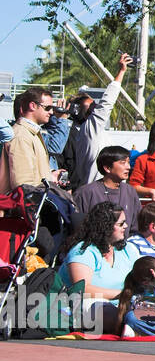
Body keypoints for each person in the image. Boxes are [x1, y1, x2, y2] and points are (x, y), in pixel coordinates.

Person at [53, 201, 140, 334]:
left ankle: (136, 326)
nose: (126, 226)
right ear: (106, 226)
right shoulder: (83, 251)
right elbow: (82, 289)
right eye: (121, 224)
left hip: (125, 304)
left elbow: (141, 276)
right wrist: (123, 295)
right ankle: (131, 327)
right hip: (81, 304)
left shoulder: (128, 250)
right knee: (105, 310)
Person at [66, 53, 133, 190]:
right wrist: (121, 72)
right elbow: (106, 104)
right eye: (90, 106)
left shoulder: (89, 133)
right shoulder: (89, 129)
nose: (95, 107)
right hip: (97, 195)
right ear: (79, 112)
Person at [0, 87, 62, 193]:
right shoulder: (21, 136)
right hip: (27, 207)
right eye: (47, 108)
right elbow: (23, 185)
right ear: (32, 106)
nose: (51, 112)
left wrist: (50, 176)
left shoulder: (29, 133)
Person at [73, 145, 141, 240]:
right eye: (123, 163)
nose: (128, 167)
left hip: (123, 249)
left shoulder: (130, 191)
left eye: (128, 163)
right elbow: (77, 229)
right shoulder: (86, 192)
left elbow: (136, 227)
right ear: (107, 168)